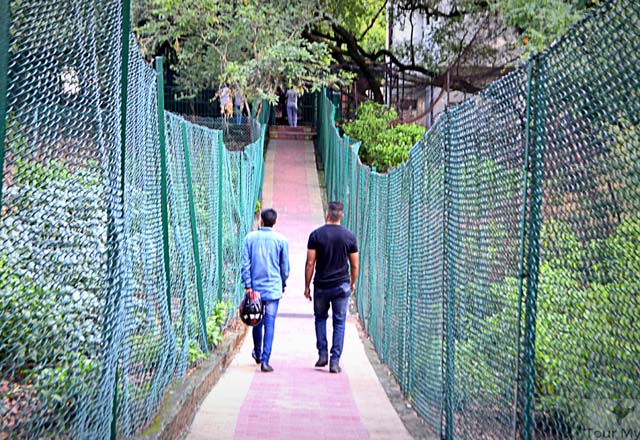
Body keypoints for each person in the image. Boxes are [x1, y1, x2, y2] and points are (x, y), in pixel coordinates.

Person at [304, 201, 359, 373]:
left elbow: (310, 262)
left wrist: (307, 286)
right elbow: (355, 264)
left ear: (328, 214)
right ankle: (335, 361)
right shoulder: (349, 236)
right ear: (341, 216)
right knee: (339, 322)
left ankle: (322, 354)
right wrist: (352, 282)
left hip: (321, 285)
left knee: (320, 318)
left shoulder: (316, 235)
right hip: (341, 286)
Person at [242, 208, 290, 372]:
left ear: (261, 221)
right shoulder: (281, 240)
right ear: (274, 222)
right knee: (270, 323)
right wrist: (283, 282)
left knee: (257, 321)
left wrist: (248, 286)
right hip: (272, 289)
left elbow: (245, 265)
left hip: (255, 289)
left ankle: (257, 352)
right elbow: (284, 267)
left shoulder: (250, 238)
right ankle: (265, 360)